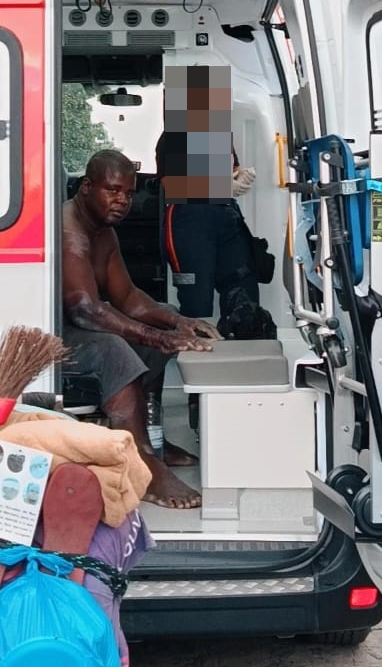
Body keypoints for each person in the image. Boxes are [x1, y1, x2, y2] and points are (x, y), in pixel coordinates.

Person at [62, 149, 221, 510]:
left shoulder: (103, 231)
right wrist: (154, 335)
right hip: (55, 336)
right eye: (112, 190)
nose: (122, 201)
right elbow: (84, 310)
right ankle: (141, 459)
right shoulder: (70, 228)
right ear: (87, 187)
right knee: (116, 347)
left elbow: (129, 298)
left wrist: (176, 322)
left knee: (160, 314)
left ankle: (151, 434)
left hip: (82, 326)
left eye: (129, 194)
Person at [156, 132, 261, 325]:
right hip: (189, 220)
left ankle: (244, 347)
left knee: (244, 293)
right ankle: (196, 351)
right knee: (197, 303)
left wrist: (241, 175)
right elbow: (169, 184)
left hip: (226, 215)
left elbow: (233, 169)